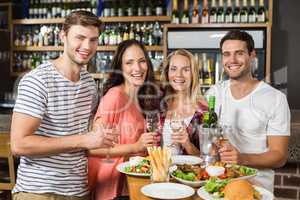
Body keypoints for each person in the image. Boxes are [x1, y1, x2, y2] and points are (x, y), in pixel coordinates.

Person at [10, 11, 116, 200]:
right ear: (63, 36)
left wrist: (98, 128)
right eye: (80, 38)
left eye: (93, 40)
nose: (87, 46)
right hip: (40, 192)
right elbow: (19, 144)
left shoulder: (89, 83)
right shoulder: (38, 80)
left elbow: (88, 127)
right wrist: (84, 140)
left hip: (79, 190)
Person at [206, 30, 290, 192]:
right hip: (216, 183)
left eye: (239, 53)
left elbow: (279, 156)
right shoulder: (214, 93)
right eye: (227, 54)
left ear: (252, 55)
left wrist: (242, 158)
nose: (232, 60)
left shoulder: (275, 98)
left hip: (256, 187)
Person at [88, 39, 160, 200]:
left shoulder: (142, 97)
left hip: (134, 184)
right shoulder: (114, 97)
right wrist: (136, 146)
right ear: (120, 68)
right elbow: (92, 148)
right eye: (129, 63)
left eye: (142, 61)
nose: (137, 68)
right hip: (113, 188)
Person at [160, 49, 207, 156]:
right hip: (158, 171)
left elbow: (208, 159)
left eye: (185, 70)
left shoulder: (203, 112)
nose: (179, 75)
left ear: (193, 74)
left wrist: (187, 144)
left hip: (188, 172)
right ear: (167, 73)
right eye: (173, 69)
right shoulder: (157, 104)